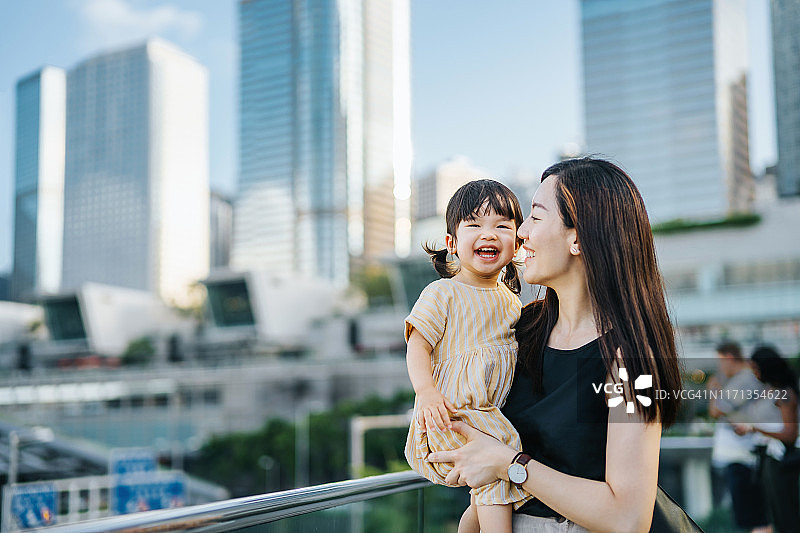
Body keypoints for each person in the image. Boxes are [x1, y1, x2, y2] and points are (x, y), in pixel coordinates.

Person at [427, 157, 684, 532]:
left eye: (535, 216)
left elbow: (630, 518)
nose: (520, 234)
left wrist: (511, 464)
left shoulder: (632, 359)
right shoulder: (522, 328)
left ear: (577, 238)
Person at [404, 179, 531, 533]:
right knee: (502, 457)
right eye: (474, 225)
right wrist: (426, 393)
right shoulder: (443, 292)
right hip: (450, 412)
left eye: (502, 226)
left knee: (498, 473)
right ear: (452, 244)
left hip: (487, 414)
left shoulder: (510, 302)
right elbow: (418, 344)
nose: (488, 234)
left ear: (518, 242)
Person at [733, 346, 800, 533]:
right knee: (773, 515)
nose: (754, 373)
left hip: (781, 459)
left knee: (786, 515)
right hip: (766, 459)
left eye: (756, 368)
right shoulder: (768, 390)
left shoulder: (785, 393)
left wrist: (756, 428)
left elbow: (790, 434)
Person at [707, 342, 770, 533]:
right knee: (753, 517)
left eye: (720, 361)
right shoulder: (745, 379)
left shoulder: (744, 380)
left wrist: (713, 391)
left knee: (752, 518)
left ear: (728, 357)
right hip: (745, 456)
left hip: (742, 457)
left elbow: (716, 410)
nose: (720, 367)